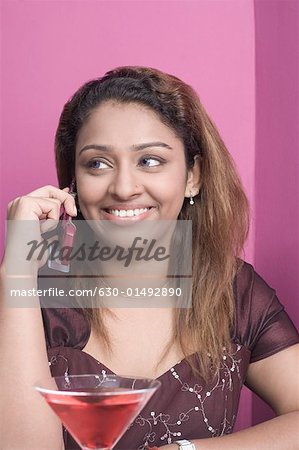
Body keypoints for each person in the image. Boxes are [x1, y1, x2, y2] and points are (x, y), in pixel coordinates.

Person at [1, 66, 298, 450]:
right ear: (72, 182)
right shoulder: (34, 294)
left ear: (193, 176)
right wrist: (18, 274)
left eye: (150, 160)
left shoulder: (234, 289)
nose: (124, 188)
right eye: (97, 163)